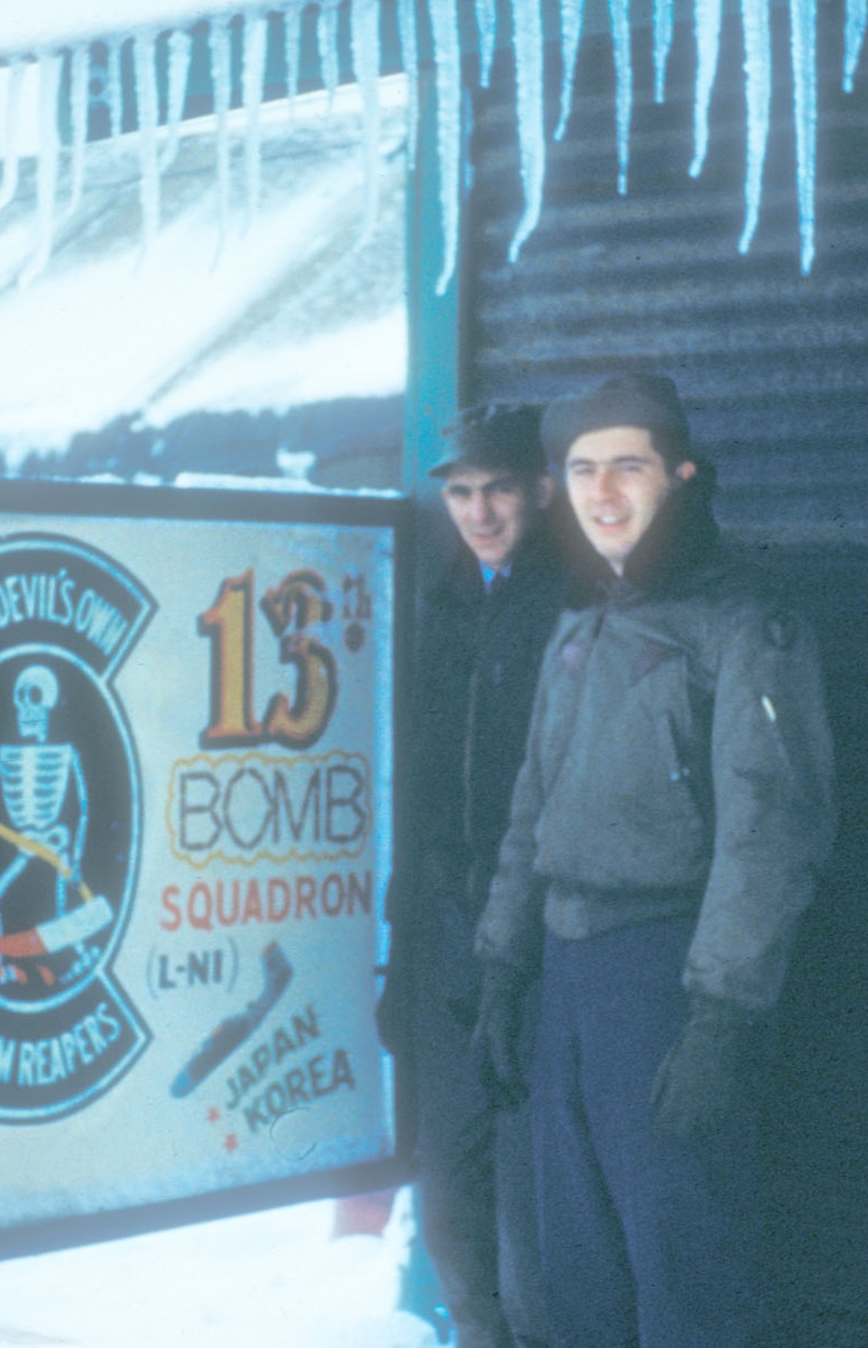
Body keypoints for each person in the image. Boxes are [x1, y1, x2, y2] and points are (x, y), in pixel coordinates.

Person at [472, 373, 836, 1347]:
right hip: (565, 974)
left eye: (626, 465)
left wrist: (719, 1017)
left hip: (665, 976)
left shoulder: (742, 624)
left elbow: (772, 833)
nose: (602, 492)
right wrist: (503, 968)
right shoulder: (576, 626)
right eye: (581, 469)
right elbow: (529, 811)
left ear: (678, 474)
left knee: (688, 1268)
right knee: (577, 1268)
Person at [381, 404, 562, 1347]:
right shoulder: (442, 600)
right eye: (460, 493)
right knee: (447, 1181)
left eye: (497, 489)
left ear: (538, 489)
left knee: (534, 1195)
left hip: (537, 933)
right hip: (444, 927)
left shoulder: (573, 599)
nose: (479, 511)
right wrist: (400, 948)